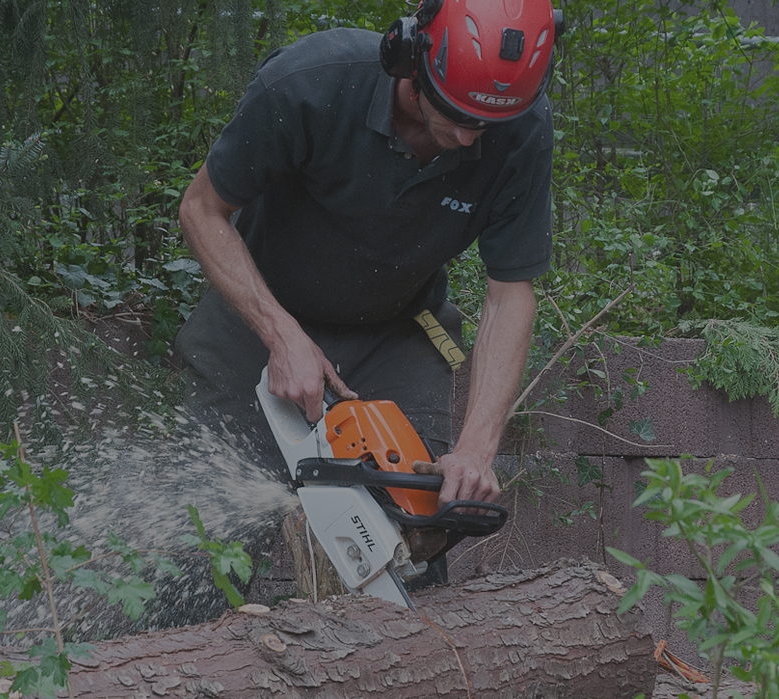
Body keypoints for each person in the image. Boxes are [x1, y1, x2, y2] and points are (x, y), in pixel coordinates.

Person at [176, 0, 561, 523]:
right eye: (458, 115)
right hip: (259, 309)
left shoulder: (521, 129)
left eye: (486, 124)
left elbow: (510, 294)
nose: (471, 137)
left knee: (414, 524)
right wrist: (281, 334)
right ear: (413, 59)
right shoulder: (312, 82)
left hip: (395, 331)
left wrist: (477, 448)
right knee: (209, 524)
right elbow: (201, 209)